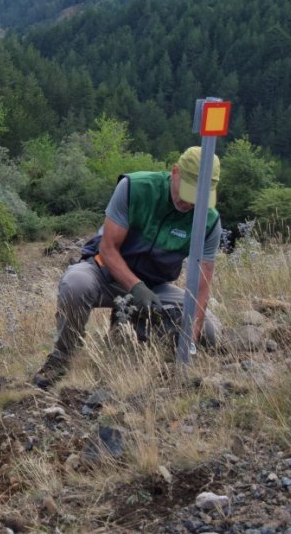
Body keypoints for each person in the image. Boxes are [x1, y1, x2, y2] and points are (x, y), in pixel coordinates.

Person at [32, 147, 223, 389]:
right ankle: (62, 357)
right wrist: (135, 287)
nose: (189, 202)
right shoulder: (136, 188)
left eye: (199, 196)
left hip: (155, 287)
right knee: (75, 284)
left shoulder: (209, 220)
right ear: (175, 172)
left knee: (209, 331)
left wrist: (190, 345)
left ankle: (129, 329)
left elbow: (201, 289)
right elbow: (108, 248)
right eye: (187, 191)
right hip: (104, 273)